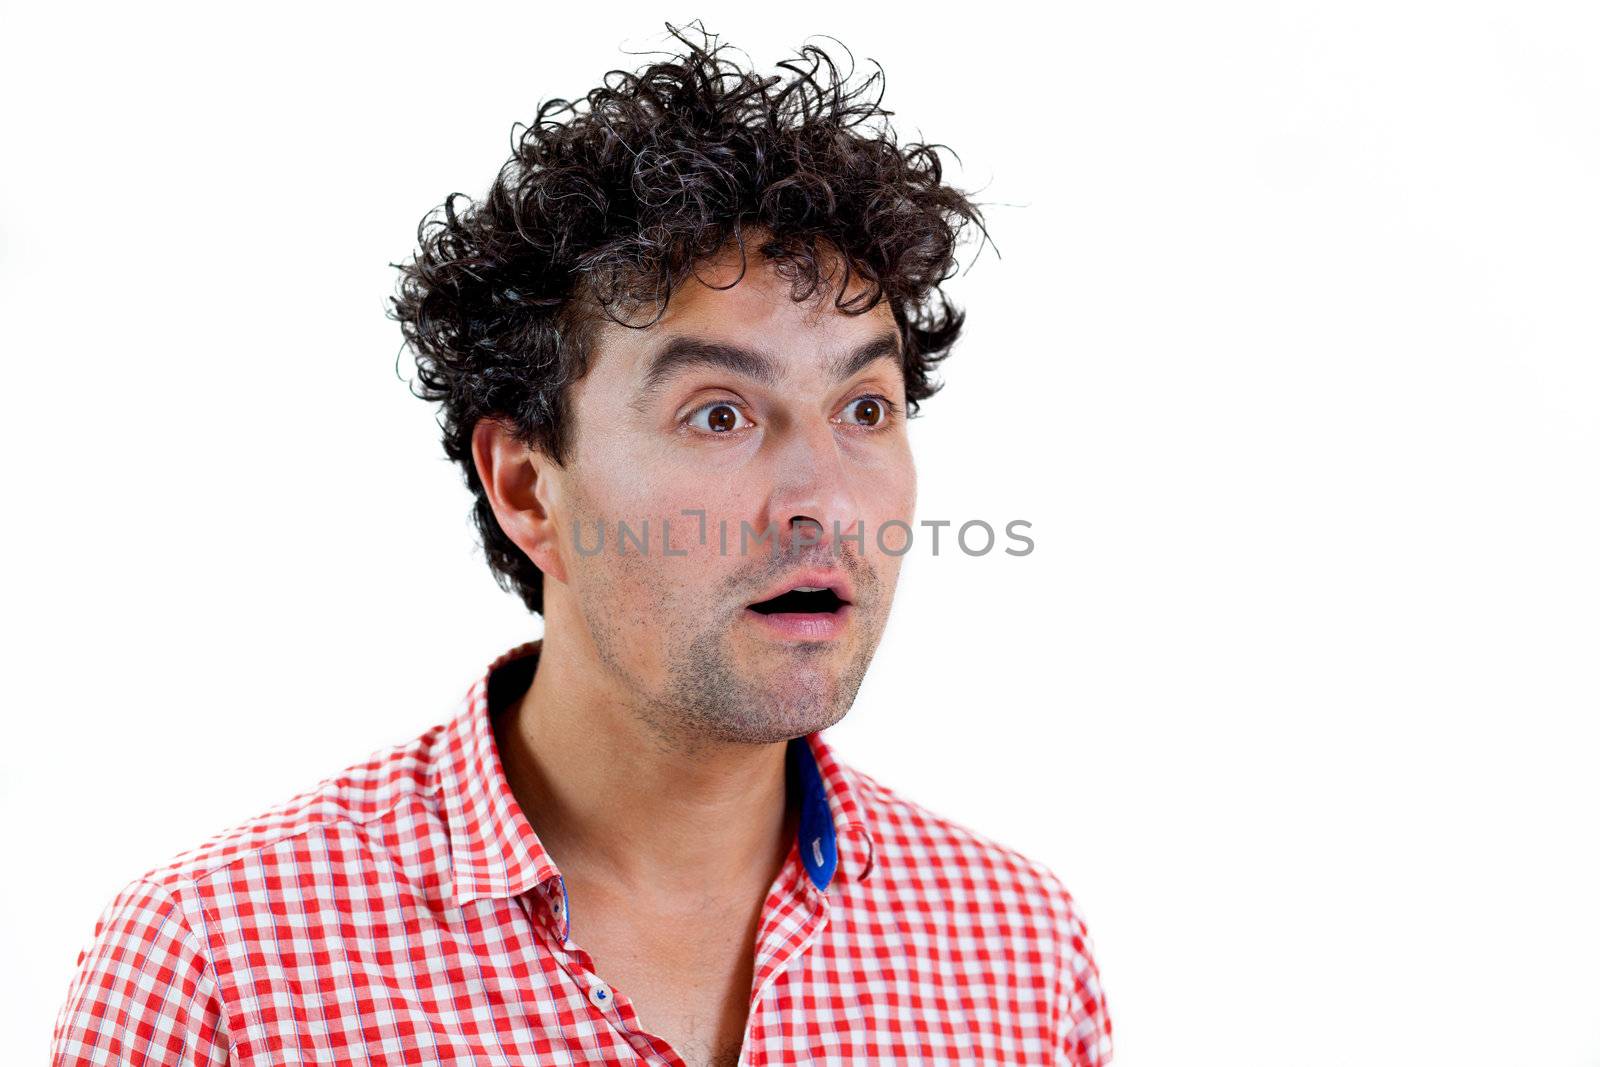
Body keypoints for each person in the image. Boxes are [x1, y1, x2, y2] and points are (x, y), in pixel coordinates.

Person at [52, 23, 1112, 1067]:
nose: (827, 503)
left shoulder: (1021, 951)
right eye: (719, 414)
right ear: (527, 487)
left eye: (865, 408)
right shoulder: (220, 967)